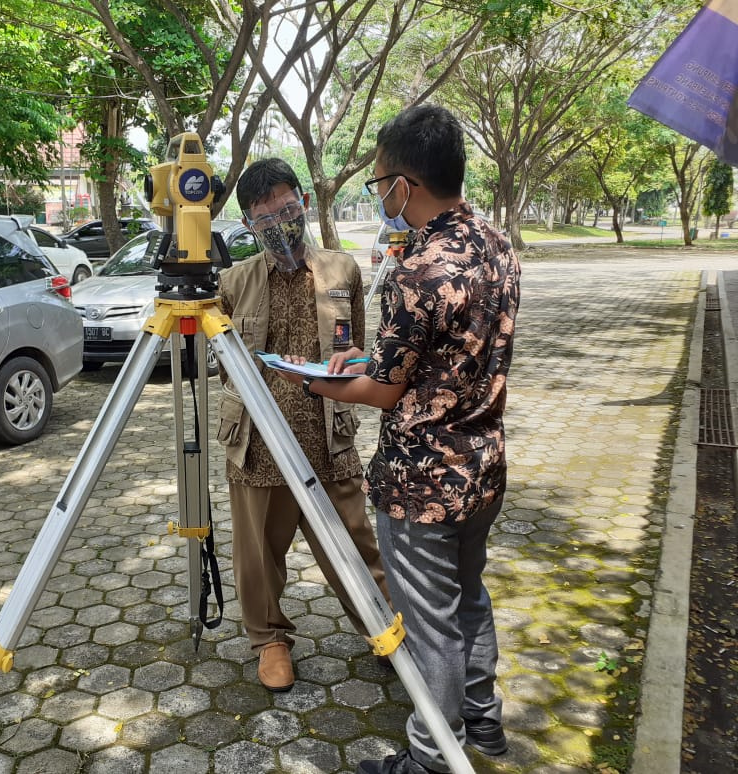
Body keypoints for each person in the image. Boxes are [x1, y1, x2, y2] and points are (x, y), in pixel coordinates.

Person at [276, 105, 521, 773]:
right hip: (484, 467)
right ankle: (483, 722)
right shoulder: (495, 244)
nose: (379, 194)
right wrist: (365, 365)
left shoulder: (420, 267)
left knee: (432, 625)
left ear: (404, 185)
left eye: (379, 180)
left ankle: (431, 760)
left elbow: (385, 393)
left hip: (422, 484)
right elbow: (426, 362)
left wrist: (313, 383)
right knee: (468, 596)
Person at [215, 157, 390, 693]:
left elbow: (358, 351)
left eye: (288, 211)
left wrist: (355, 360)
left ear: (305, 205)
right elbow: (223, 364)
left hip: (327, 435)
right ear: (249, 224)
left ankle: (382, 626)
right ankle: (269, 639)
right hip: (259, 442)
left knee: (356, 542)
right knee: (258, 555)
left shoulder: (343, 271)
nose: (280, 225)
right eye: (265, 219)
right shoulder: (234, 281)